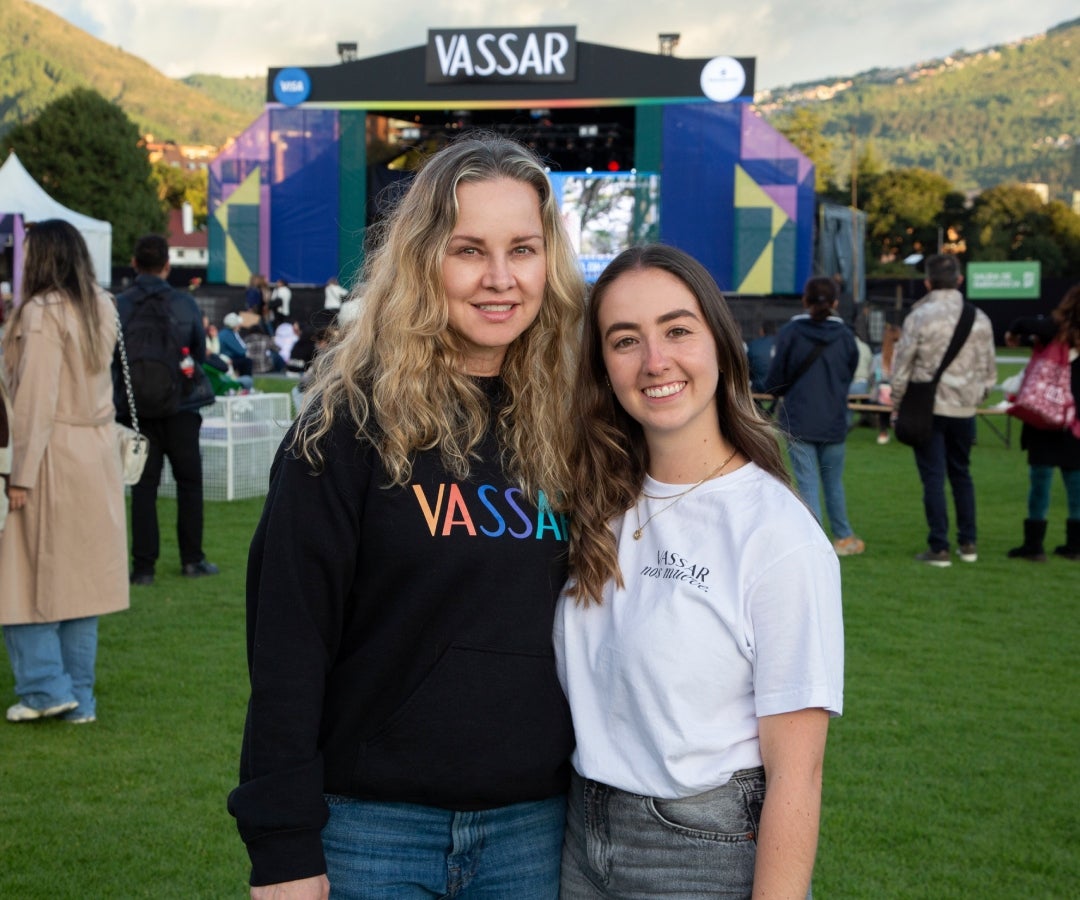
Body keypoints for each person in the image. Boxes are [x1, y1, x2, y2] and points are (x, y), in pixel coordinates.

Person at [228, 133, 586, 898]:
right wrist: (284, 849)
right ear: (423, 260)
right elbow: (288, 647)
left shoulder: (575, 426)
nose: (500, 278)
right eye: (469, 250)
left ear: (549, 263)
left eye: (523, 250)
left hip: (535, 828)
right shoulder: (344, 428)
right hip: (372, 829)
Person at [556, 244, 843, 899]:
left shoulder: (777, 534)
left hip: (701, 853)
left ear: (720, 341)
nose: (655, 361)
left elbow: (798, 774)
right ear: (602, 364)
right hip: (579, 835)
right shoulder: (595, 499)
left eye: (678, 330)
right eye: (625, 340)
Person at [0, 219, 129, 724]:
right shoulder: (100, 304)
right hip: (94, 452)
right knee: (81, 580)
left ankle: (44, 688)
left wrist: (20, 475)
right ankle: (78, 696)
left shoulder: (43, 313)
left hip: (52, 451)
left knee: (18, 572)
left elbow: (36, 399)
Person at [115, 234, 219, 586]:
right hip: (181, 407)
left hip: (135, 410)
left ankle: (143, 568)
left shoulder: (119, 305)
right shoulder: (184, 304)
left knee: (143, 489)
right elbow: (199, 353)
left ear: (134, 264)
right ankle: (192, 560)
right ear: (167, 266)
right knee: (189, 484)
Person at [891, 254, 997, 566]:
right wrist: (974, 397)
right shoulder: (980, 318)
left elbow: (901, 367)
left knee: (933, 478)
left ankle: (939, 547)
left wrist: (898, 404)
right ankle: (968, 543)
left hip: (928, 408)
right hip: (964, 409)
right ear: (959, 280)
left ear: (928, 282)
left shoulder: (919, 316)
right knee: (962, 474)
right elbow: (989, 371)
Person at [766, 275, 865, 556]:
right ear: (835, 302)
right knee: (833, 484)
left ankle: (816, 544)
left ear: (804, 300)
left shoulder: (791, 332)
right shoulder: (845, 336)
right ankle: (843, 537)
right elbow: (848, 375)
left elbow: (776, 378)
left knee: (807, 483)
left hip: (799, 418)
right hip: (834, 418)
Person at [1003, 284, 1080, 561]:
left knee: (1040, 481)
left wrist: (1012, 333)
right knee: (1076, 483)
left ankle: (1034, 545)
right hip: (1075, 420)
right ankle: (1075, 546)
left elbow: (1023, 323)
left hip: (1046, 414)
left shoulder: (1054, 329)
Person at [870, 323, 902, 444]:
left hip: (883, 396)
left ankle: (883, 431)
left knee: (882, 392)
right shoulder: (904, 356)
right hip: (900, 395)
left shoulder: (879, 358)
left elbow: (873, 377)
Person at [219, 312, 255, 378]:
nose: (239, 325)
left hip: (226, 358)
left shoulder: (225, 332)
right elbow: (241, 351)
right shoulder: (228, 334)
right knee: (247, 361)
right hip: (227, 359)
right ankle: (245, 381)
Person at [745, 320, 775, 394]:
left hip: (757, 387)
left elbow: (746, 368)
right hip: (777, 388)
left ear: (762, 331)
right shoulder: (782, 345)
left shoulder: (753, 345)